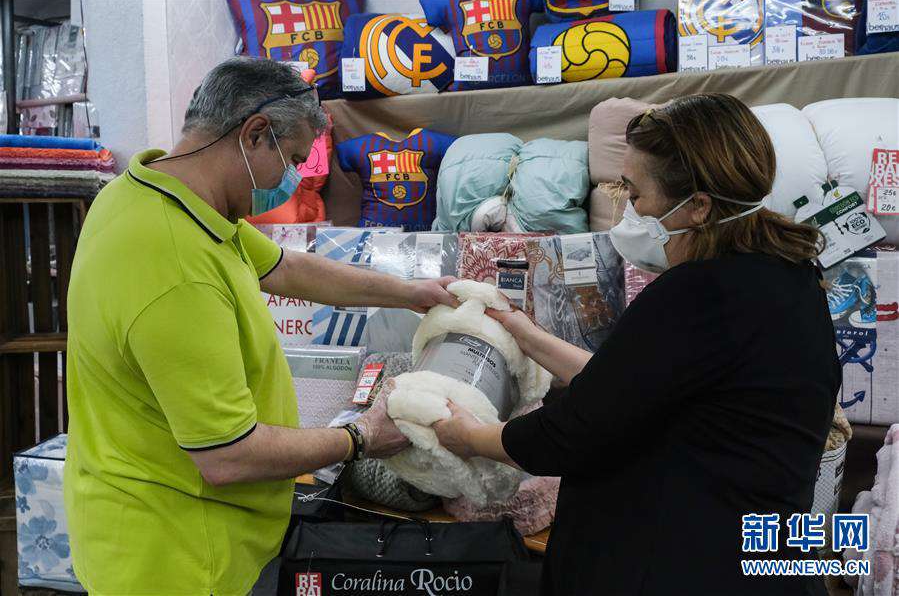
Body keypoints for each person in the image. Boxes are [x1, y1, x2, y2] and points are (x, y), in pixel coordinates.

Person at [63, 57, 454, 595]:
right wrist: (360, 437)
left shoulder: (152, 194)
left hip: (135, 514)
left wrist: (411, 293)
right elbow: (227, 456)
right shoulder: (176, 268)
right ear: (254, 134)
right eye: (291, 159)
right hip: (176, 556)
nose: (292, 181)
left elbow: (286, 268)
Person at [434, 93, 840, 595]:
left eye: (635, 192)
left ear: (698, 207)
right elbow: (631, 385)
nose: (629, 208)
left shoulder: (698, 292)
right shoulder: (788, 275)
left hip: (688, 566)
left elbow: (572, 432)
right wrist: (523, 331)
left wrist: (469, 436)